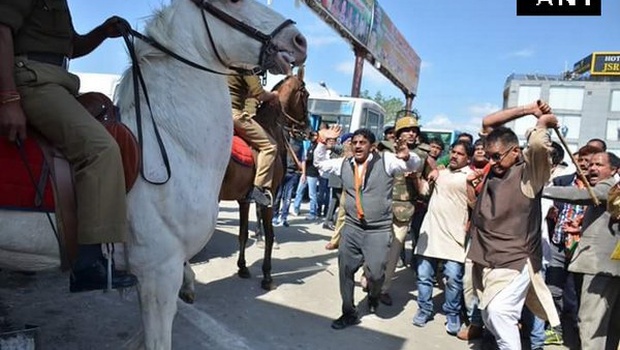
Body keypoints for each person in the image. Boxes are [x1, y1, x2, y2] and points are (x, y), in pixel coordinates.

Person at [0, 1, 137, 292]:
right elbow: (2, 30)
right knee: (101, 148)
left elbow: (72, 47)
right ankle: (89, 263)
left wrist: (102, 31)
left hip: (59, 82)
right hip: (33, 81)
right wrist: (9, 98)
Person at [466, 100, 560, 349]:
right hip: (487, 257)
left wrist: (541, 123)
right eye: (488, 156)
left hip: (516, 259)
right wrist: (528, 109)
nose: (492, 161)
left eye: (497, 156)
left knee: (499, 312)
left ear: (516, 152)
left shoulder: (530, 174)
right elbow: (488, 122)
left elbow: (539, 144)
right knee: (489, 314)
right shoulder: (493, 167)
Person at [313, 126, 422, 330]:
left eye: (362, 142)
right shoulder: (344, 164)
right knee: (345, 270)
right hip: (352, 227)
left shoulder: (387, 161)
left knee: (376, 274)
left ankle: (373, 296)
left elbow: (412, 165)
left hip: (378, 230)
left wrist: (407, 157)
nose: (357, 146)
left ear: (372, 147)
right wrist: (321, 142)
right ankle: (348, 312)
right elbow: (319, 163)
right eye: (354, 142)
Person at [543, 151, 620, 350]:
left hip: (598, 268)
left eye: (599, 165)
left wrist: (540, 190)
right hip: (608, 268)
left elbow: (579, 195)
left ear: (614, 170)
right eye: (591, 164)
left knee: (590, 322)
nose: (592, 168)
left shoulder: (608, 187)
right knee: (607, 325)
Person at [412, 140, 474, 335]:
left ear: (468, 158)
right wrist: (417, 178)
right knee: (424, 276)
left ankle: (452, 313)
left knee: (454, 278)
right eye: (453, 152)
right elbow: (424, 193)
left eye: (460, 154)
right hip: (431, 232)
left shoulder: (471, 177)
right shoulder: (439, 174)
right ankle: (424, 309)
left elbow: (475, 205)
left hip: (454, 235)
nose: (454, 156)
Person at [378, 115, 428, 306]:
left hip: (404, 209)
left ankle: (384, 288)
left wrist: (420, 179)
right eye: (407, 130)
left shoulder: (422, 155)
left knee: (394, 251)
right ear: (398, 133)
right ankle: (371, 275)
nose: (411, 133)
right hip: (381, 205)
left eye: (415, 130)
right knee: (376, 247)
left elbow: (427, 185)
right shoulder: (383, 149)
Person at [228, 74, 280, 207]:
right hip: (234, 114)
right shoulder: (246, 65)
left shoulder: (225, 63)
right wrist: (273, 95)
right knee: (270, 146)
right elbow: (260, 94)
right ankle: (258, 189)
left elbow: (243, 92)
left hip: (217, 112)